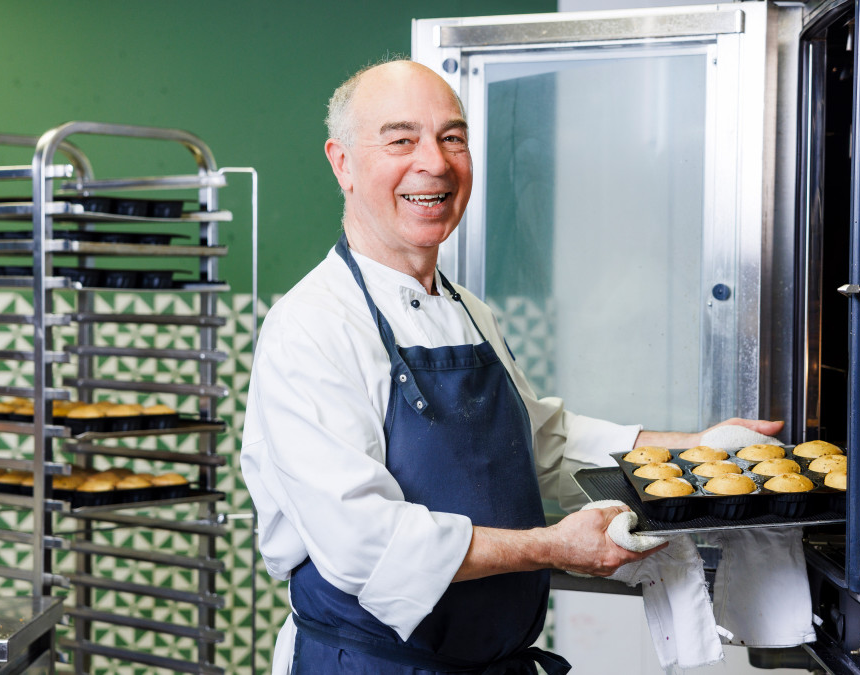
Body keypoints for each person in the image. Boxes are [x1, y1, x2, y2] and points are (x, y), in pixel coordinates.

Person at [240, 59, 783, 674]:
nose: (435, 163)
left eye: (453, 137)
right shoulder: (311, 327)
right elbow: (367, 544)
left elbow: (540, 443)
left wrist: (695, 450)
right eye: (401, 140)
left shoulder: (469, 311)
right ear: (342, 163)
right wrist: (554, 547)